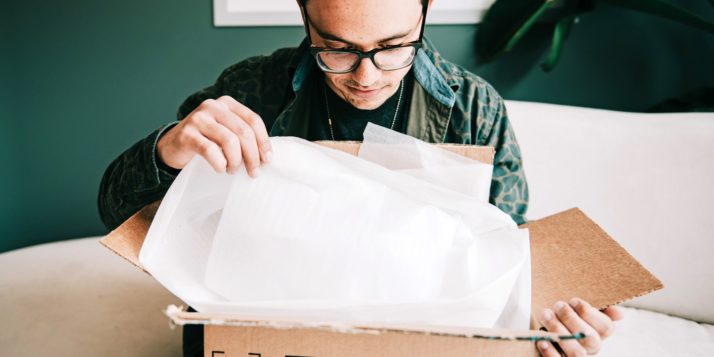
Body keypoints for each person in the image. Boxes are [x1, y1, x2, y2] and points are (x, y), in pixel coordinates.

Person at [98, 0, 623, 355]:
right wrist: (167, 150)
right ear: (306, 17)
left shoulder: (472, 107)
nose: (367, 75)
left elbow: (505, 251)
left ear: (426, 12)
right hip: (267, 332)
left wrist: (548, 318)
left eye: (394, 46)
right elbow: (123, 218)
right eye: (338, 49)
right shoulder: (253, 86)